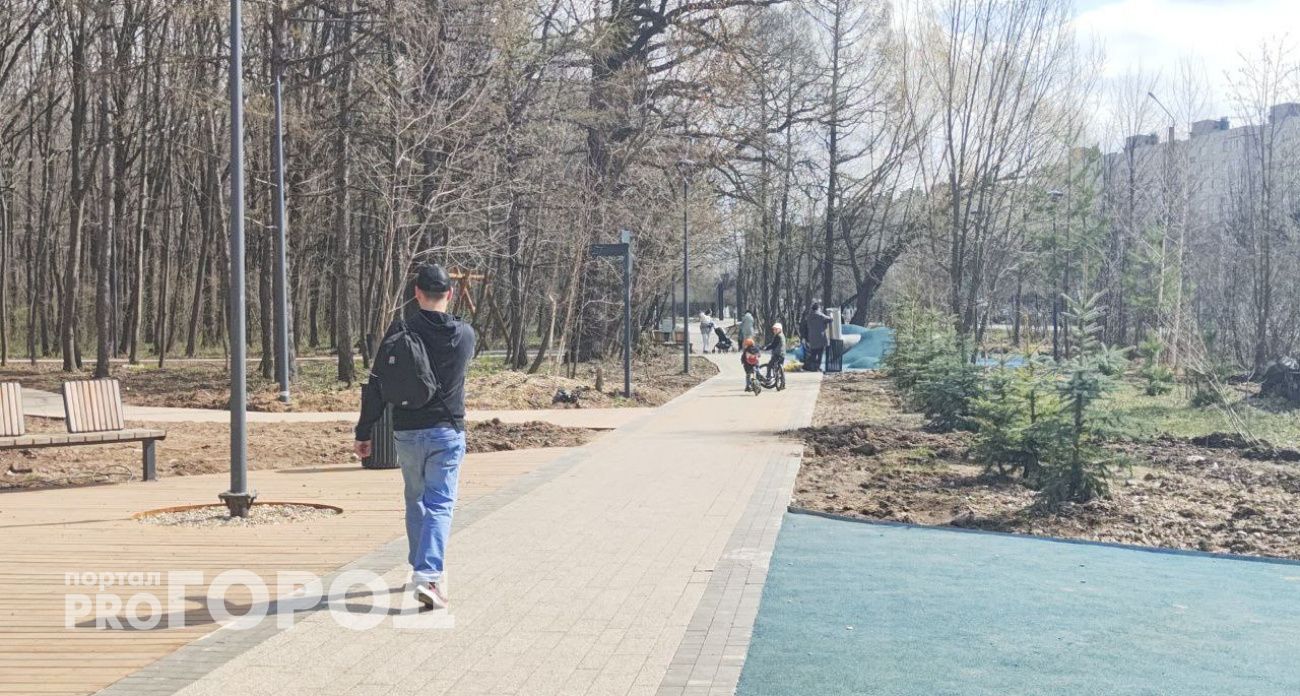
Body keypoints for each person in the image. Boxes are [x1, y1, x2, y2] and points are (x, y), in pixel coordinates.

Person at [355, 264, 476, 610]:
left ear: (417, 293)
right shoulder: (465, 335)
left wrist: (364, 432)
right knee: (440, 503)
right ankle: (427, 575)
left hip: (406, 432)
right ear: (450, 294)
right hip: (447, 431)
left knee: (415, 498)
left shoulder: (400, 331)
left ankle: (419, 566)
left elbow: (376, 386)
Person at [803, 302, 832, 372]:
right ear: (818, 308)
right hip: (820, 338)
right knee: (820, 354)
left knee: (813, 353)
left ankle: (810, 366)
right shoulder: (820, 315)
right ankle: (817, 367)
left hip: (812, 338)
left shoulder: (809, 317)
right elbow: (830, 319)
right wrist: (830, 314)